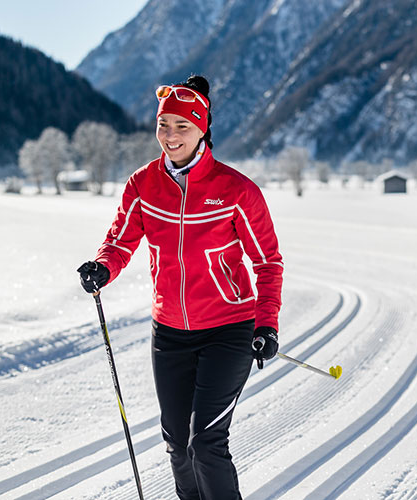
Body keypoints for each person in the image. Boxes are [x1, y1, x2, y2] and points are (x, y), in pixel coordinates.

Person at [77, 75, 284, 500]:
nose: (170, 136)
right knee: (177, 445)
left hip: (229, 330)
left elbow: (267, 262)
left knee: (205, 443)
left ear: (202, 129)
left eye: (182, 126)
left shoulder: (236, 191)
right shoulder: (143, 184)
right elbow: (119, 241)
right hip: (169, 332)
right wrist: (102, 267)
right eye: (164, 124)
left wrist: (266, 325)